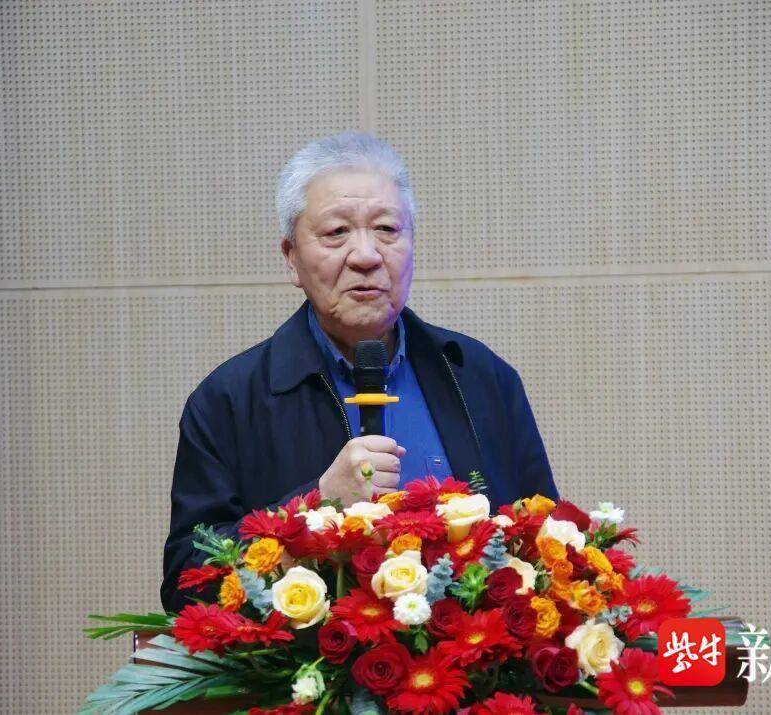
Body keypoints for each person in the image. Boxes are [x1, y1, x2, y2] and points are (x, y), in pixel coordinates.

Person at [161, 132, 558, 612]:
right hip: (309, 660)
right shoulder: (229, 401)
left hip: (469, 653)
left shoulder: (479, 377)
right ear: (291, 258)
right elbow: (186, 583)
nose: (366, 256)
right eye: (336, 233)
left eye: (387, 229)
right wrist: (317, 504)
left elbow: (547, 547)